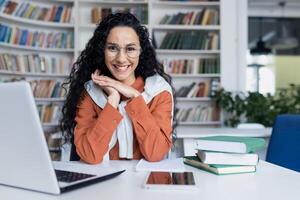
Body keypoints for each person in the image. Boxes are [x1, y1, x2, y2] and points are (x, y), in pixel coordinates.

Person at [60, 12, 175, 164]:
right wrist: (112, 101)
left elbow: (155, 153)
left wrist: (135, 98)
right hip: (102, 183)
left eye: (130, 49)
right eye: (113, 48)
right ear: (102, 50)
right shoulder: (90, 93)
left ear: (141, 51)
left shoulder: (159, 92)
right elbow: (90, 156)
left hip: (143, 182)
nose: (121, 59)